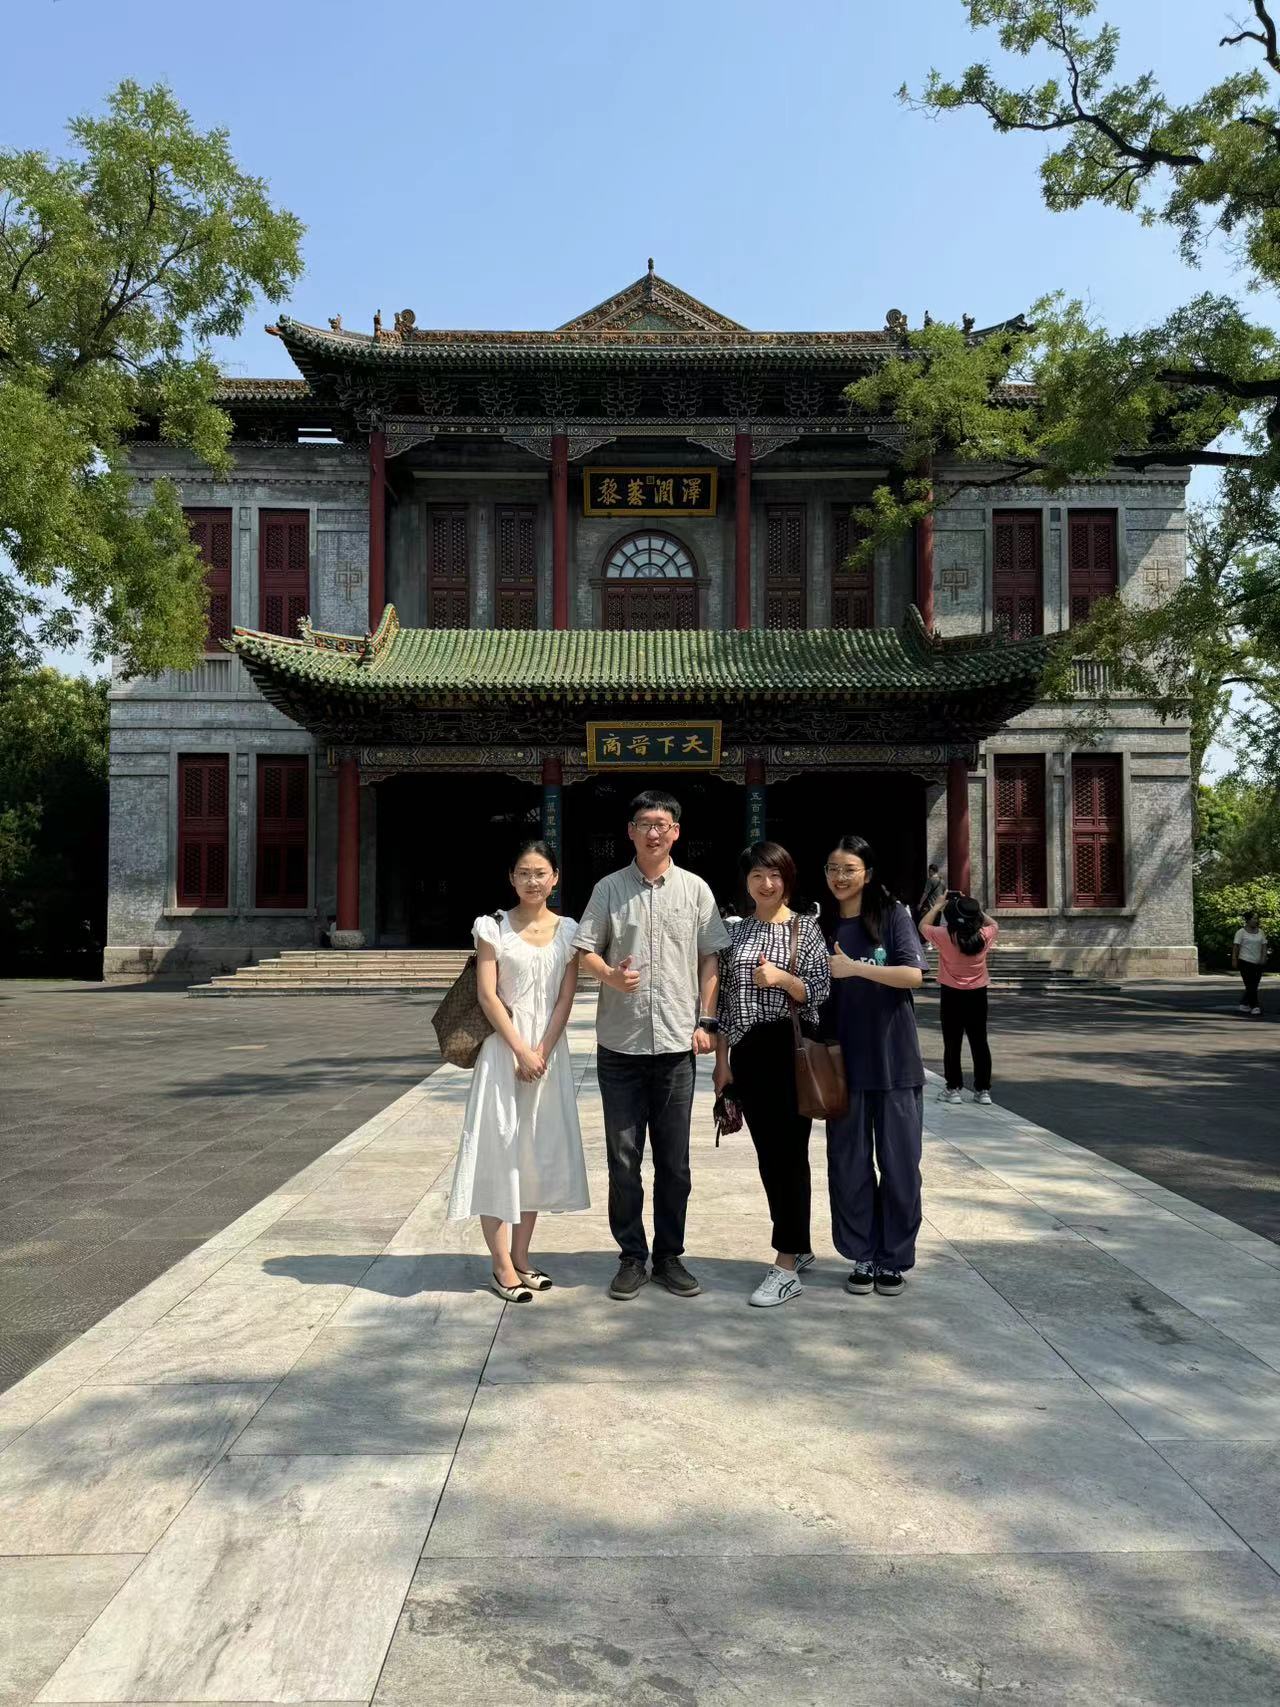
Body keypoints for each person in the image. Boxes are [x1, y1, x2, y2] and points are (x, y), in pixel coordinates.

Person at [574, 789, 731, 1300]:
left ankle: (669, 1256)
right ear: (631, 831)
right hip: (620, 1047)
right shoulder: (608, 888)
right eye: (644, 823)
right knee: (623, 1161)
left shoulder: (696, 890)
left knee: (674, 1163)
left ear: (676, 832)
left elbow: (710, 957)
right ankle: (630, 1256)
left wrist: (707, 1019)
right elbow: (585, 951)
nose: (654, 832)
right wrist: (609, 976)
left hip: (676, 1047)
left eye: (662, 823)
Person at [447, 840, 589, 1302]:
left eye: (540, 872)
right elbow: (487, 995)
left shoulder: (569, 931)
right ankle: (501, 1264)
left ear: (555, 878)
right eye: (524, 872)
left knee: (534, 1152)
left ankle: (522, 1256)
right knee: (500, 1148)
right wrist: (520, 1050)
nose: (532, 881)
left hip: (547, 1054)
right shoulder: (492, 928)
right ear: (511, 878)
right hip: (502, 1052)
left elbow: (566, 996)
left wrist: (541, 1050)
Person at [713, 842, 831, 1307]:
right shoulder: (734, 932)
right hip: (747, 1052)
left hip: (789, 1050)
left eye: (775, 875)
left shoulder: (805, 928)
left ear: (787, 879)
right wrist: (722, 1063)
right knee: (768, 1155)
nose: (766, 884)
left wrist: (782, 979)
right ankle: (797, 1242)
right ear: (746, 881)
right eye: (757, 875)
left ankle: (785, 1266)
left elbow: (820, 991)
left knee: (789, 1155)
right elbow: (725, 1002)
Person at [821, 834, 928, 1300]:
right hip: (843, 1066)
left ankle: (893, 1259)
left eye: (849, 869)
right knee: (848, 1166)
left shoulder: (892, 915)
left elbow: (913, 975)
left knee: (901, 1167)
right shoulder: (820, 924)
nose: (840, 877)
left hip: (895, 1063)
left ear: (867, 874)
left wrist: (856, 969)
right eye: (832, 869)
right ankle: (861, 1254)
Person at [920, 892, 999, 1104]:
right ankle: (983, 1090)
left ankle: (953, 1089)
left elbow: (922, 926)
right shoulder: (985, 935)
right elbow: (994, 924)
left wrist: (937, 906)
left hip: (951, 994)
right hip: (978, 994)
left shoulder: (944, 935)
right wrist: (975, 909)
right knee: (979, 1042)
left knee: (952, 1042)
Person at [1233, 911, 1271, 1016]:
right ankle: (1255, 1006)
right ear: (1248, 920)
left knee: (1254, 985)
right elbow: (1236, 946)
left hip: (1257, 962)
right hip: (1244, 961)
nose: (1256, 920)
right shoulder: (1241, 932)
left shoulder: (1261, 932)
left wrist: (1263, 958)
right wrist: (1234, 959)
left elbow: (1264, 946)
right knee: (1250, 985)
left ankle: (1244, 1004)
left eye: (1257, 918)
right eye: (1254, 918)